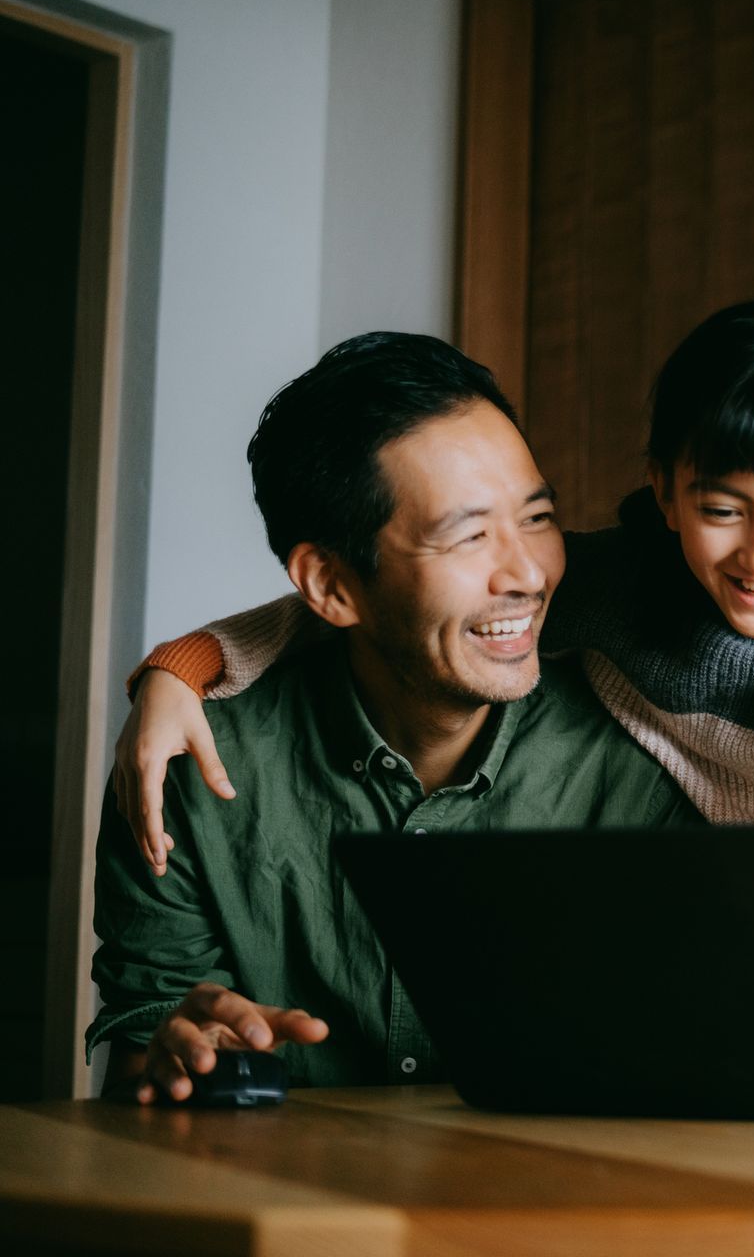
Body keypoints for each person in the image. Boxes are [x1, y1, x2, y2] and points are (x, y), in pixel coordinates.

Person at [114, 299, 754, 1071]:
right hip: (736, 996)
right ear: (666, 491)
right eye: (723, 508)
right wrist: (184, 666)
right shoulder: (617, 583)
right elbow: (369, 607)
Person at [93, 333, 696, 1103]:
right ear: (332, 586)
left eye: (538, 517)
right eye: (469, 536)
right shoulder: (186, 768)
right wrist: (181, 1060)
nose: (528, 573)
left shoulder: (645, 752)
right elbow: (142, 1060)